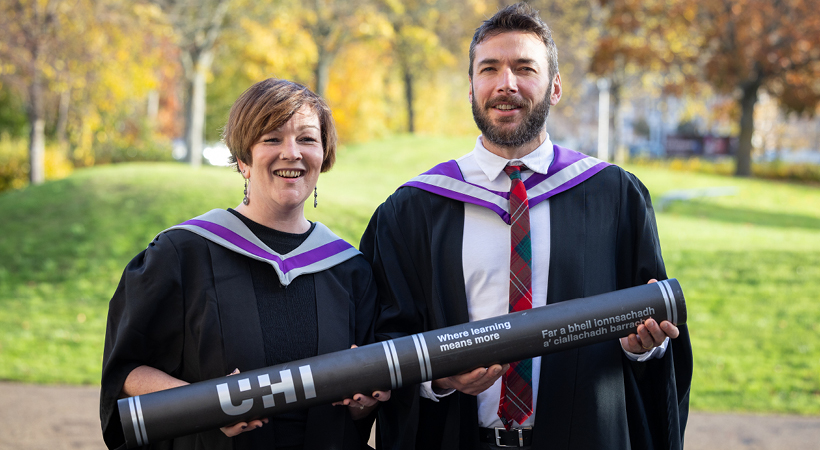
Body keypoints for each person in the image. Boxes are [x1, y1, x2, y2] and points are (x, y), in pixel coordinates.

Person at [360, 3, 692, 450]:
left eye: (524, 68)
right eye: (489, 69)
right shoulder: (416, 208)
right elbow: (383, 337)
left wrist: (643, 345)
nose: (505, 84)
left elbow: (652, 322)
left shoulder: (613, 196)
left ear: (555, 87)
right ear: (472, 86)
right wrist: (436, 375)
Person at [100, 78, 388, 450]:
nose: (292, 153)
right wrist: (209, 405)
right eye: (272, 139)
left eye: (306, 139)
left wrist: (363, 404)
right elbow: (126, 372)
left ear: (324, 156)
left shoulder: (349, 270)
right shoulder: (182, 254)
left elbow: (362, 408)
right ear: (243, 159)